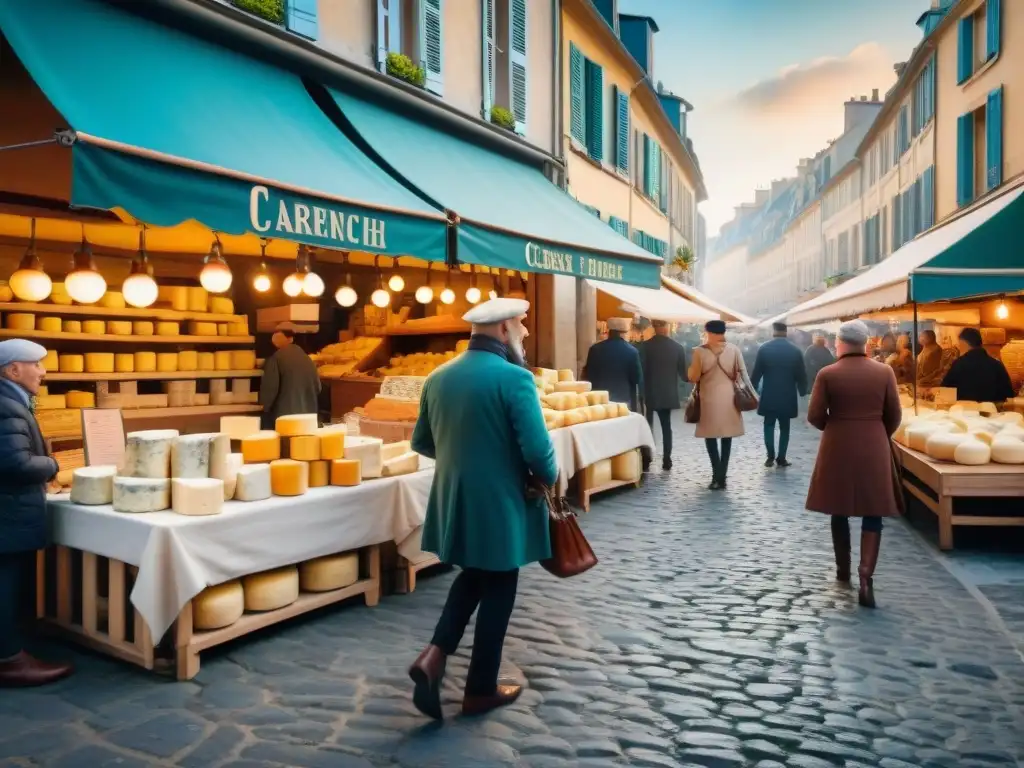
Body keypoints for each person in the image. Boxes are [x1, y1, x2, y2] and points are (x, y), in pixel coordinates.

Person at [408, 298, 557, 719]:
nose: (526, 333)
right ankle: (479, 688)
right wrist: (547, 477)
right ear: (505, 328)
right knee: (500, 584)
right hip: (502, 499)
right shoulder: (515, 379)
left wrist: (465, 457)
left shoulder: (437, 378)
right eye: (522, 326)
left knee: (475, 575)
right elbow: (539, 453)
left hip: (457, 497)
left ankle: (433, 657)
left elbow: (421, 442)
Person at [805, 320, 903, 608]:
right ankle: (865, 578)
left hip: (838, 443)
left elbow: (814, 415)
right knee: (874, 510)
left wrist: (834, 426)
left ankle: (842, 570)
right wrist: (876, 431)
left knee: (840, 506)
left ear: (840, 342)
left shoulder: (828, 373)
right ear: (866, 344)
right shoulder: (884, 371)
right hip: (874, 441)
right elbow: (894, 414)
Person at [0, 339, 74, 686]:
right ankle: (10, 660)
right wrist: (54, 463)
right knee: (6, 583)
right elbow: (14, 463)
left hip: (9, 510)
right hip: (8, 514)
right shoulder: (7, 407)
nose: (43, 372)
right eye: (37, 365)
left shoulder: (12, 402)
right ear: (14, 370)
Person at [688, 319, 751, 490]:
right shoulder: (734, 350)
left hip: (709, 399)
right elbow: (742, 374)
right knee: (726, 437)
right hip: (730, 399)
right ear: (723, 332)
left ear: (708, 332)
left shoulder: (700, 352)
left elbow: (693, 377)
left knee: (710, 437)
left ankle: (717, 475)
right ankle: (721, 475)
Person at [751, 322, 808, 468]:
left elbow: (757, 371)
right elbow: (801, 374)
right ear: (786, 332)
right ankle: (781, 457)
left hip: (769, 392)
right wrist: (803, 390)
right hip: (787, 394)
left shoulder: (764, 349)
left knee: (768, 425)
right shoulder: (795, 351)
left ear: (773, 332)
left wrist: (752, 388)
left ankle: (770, 456)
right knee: (785, 427)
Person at [639, 320, 688, 470]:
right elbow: (684, 375)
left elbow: (640, 371)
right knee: (667, 427)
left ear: (654, 328)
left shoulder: (644, 347)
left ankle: (646, 459)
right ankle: (667, 459)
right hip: (667, 393)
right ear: (667, 327)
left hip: (649, 392)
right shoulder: (677, 348)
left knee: (648, 426)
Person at [258, 323, 321, 427]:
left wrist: (265, 407)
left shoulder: (277, 358)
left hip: (285, 418)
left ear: (290, 338)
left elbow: (270, 388)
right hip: (308, 419)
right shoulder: (307, 359)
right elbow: (318, 388)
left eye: (278, 333)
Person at [940, 327, 1015, 403]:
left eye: (960, 345)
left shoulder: (958, 364)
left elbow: (945, 392)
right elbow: (1009, 395)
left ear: (964, 343)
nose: (959, 348)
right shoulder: (997, 365)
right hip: (991, 412)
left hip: (963, 412)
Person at [583, 317, 643, 411]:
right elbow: (637, 378)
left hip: (599, 400)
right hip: (622, 400)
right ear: (623, 333)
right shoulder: (632, 351)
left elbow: (588, 375)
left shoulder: (595, 349)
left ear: (609, 331)